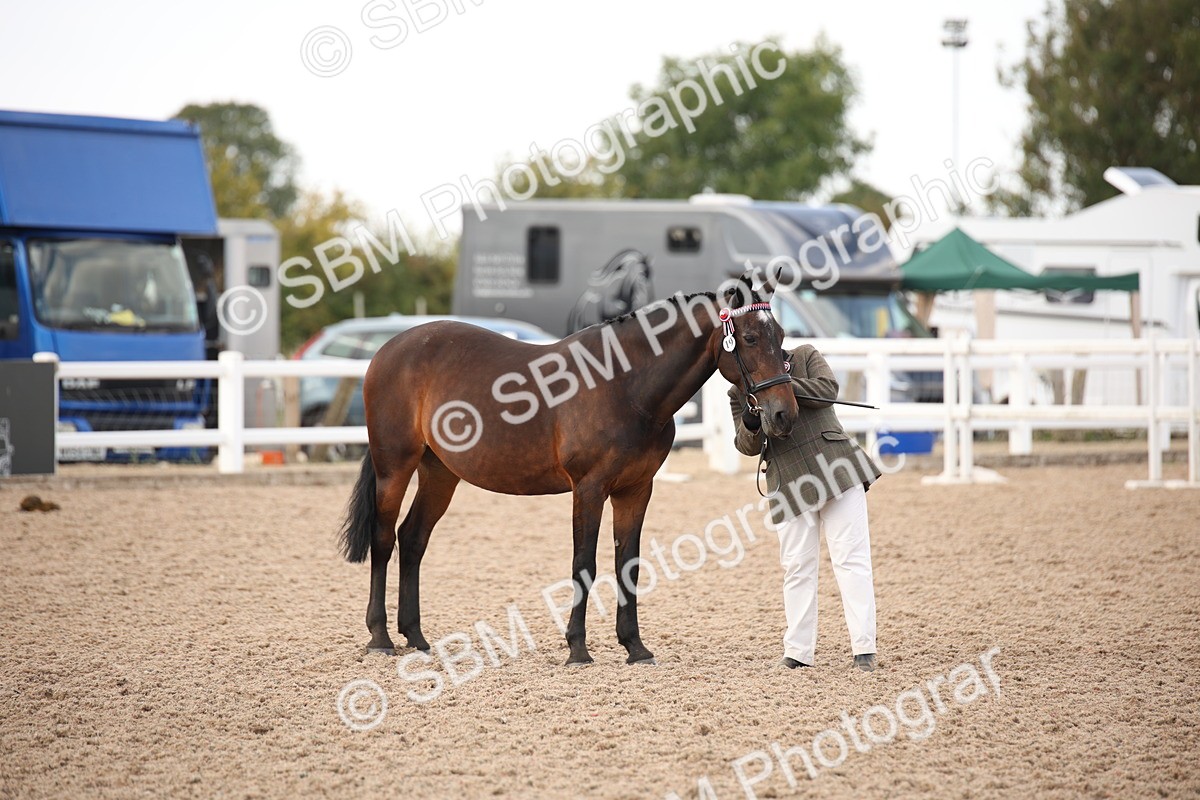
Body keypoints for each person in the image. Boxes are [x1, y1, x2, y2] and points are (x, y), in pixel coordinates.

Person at [729, 343, 882, 672]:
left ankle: (864, 648)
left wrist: (778, 383)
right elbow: (746, 446)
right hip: (788, 478)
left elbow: (828, 390)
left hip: (836, 466)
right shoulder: (737, 390)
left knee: (851, 560)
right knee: (797, 567)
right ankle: (798, 652)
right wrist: (750, 421)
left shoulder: (804, 356)